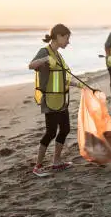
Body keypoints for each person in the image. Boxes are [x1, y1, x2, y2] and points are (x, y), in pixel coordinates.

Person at [28, 24, 86, 177]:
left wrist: (80, 85)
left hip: (61, 99)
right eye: (67, 38)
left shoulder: (59, 55)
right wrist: (46, 59)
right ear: (58, 36)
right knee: (51, 132)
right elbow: (31, 65)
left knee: (65, 129)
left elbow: (61, 78)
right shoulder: (45, 51)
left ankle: (56, 162)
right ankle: (38, 167)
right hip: (51, 100)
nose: (68, 42)